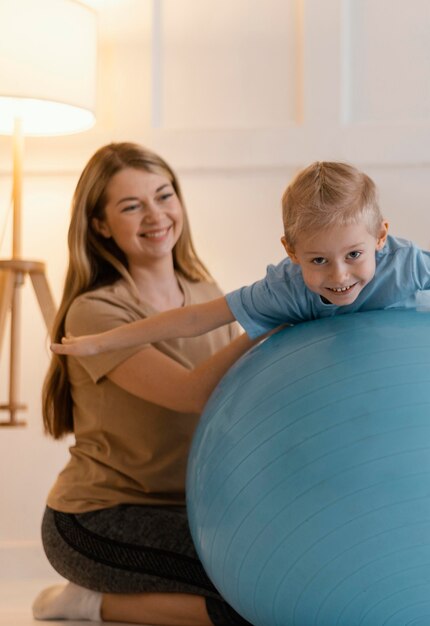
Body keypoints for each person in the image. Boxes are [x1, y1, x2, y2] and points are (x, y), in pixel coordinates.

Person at [34, 143, 271, 626]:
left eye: (164, 196)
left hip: (191, 511)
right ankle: (90, 601)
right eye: (131, 205)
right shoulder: (95, 312)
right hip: (98, 519)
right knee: (254, 601)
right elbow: (190, 392)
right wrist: (268, 320)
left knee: (283, 576)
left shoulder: (207, 297)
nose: (156, 215)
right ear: (100, 225)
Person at [51, 161, 430, 359]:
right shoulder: (288, 289)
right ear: (290, 254)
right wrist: (105, 340)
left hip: (417, 362)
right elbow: (202, 318)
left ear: (381, 238)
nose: (339, 275)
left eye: (353, 254)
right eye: (318, 260)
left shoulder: (408, 266)